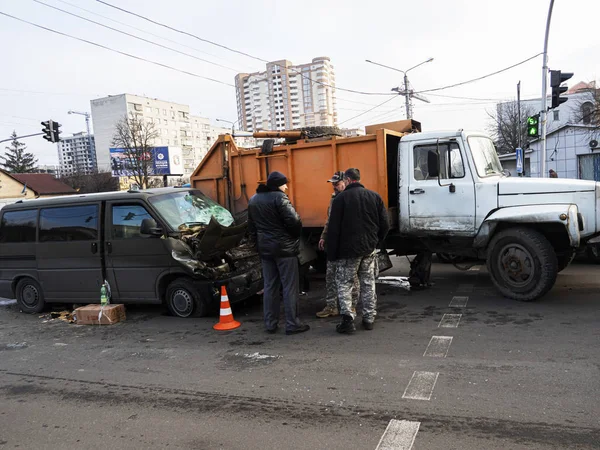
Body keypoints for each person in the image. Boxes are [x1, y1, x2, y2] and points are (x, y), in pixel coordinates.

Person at [327, 168, 389, 333]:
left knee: (345, 284)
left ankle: (348, 320)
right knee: (368, 283)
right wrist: (376, 241)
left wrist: (331, 253)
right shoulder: (374, 196)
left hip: (347, 251)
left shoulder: (341, 199)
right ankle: (369, 318)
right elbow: (385, 224)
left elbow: (333, 229)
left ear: (347, 180)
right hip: (368, 249)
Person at [247, 171, 310, 335]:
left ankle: (270, 323)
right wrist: (294, 237)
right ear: (277, 185)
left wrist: (257, 245)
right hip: (285, 250)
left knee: (269, 287)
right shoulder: (279, 198)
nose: (286, 186)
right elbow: (295, 221)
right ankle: (292, 324)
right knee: (289, 287)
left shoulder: (253, 200)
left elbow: (251, 227)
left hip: (266, 250)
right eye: (284, 184)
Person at [316, 171, 359, 318]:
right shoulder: (334, 198)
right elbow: (329, 220)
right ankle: (331, 306)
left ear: (345, 182)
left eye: (337, 183)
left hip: (346, 244)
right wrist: (324, 236)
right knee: (331, 275)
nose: (334, 186)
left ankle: (351, 307)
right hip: (333, 243)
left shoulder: (350, 197)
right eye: (333, 184)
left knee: (350, 277)